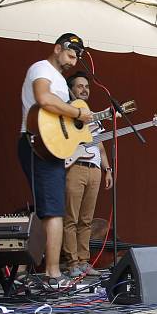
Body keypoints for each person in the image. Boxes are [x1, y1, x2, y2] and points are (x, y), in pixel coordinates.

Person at [19, 33, 93, 287]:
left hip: (51, 147)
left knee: (49, 209)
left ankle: (26, 270)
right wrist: (77, 111)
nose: (73, 62)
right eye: (70, 55)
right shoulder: (41, 68)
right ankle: (53, 274)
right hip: (36, 142)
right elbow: (43, 98)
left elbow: (64, 122)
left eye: (77, 58)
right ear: (57, 49)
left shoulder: (62, 81)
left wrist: (79, 121)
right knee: (53, 210)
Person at [62, 71, 113, 278]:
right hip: (75, 167)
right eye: (79, 86)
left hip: (94, 170)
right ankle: (71, 263)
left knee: (86, 219)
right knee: (71, 218)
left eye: (87, 86)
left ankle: (84, 261)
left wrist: (107, 169)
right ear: (71, 89)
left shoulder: (91, 114)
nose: (84, 89)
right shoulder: (66, 112)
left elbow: (99, 144)